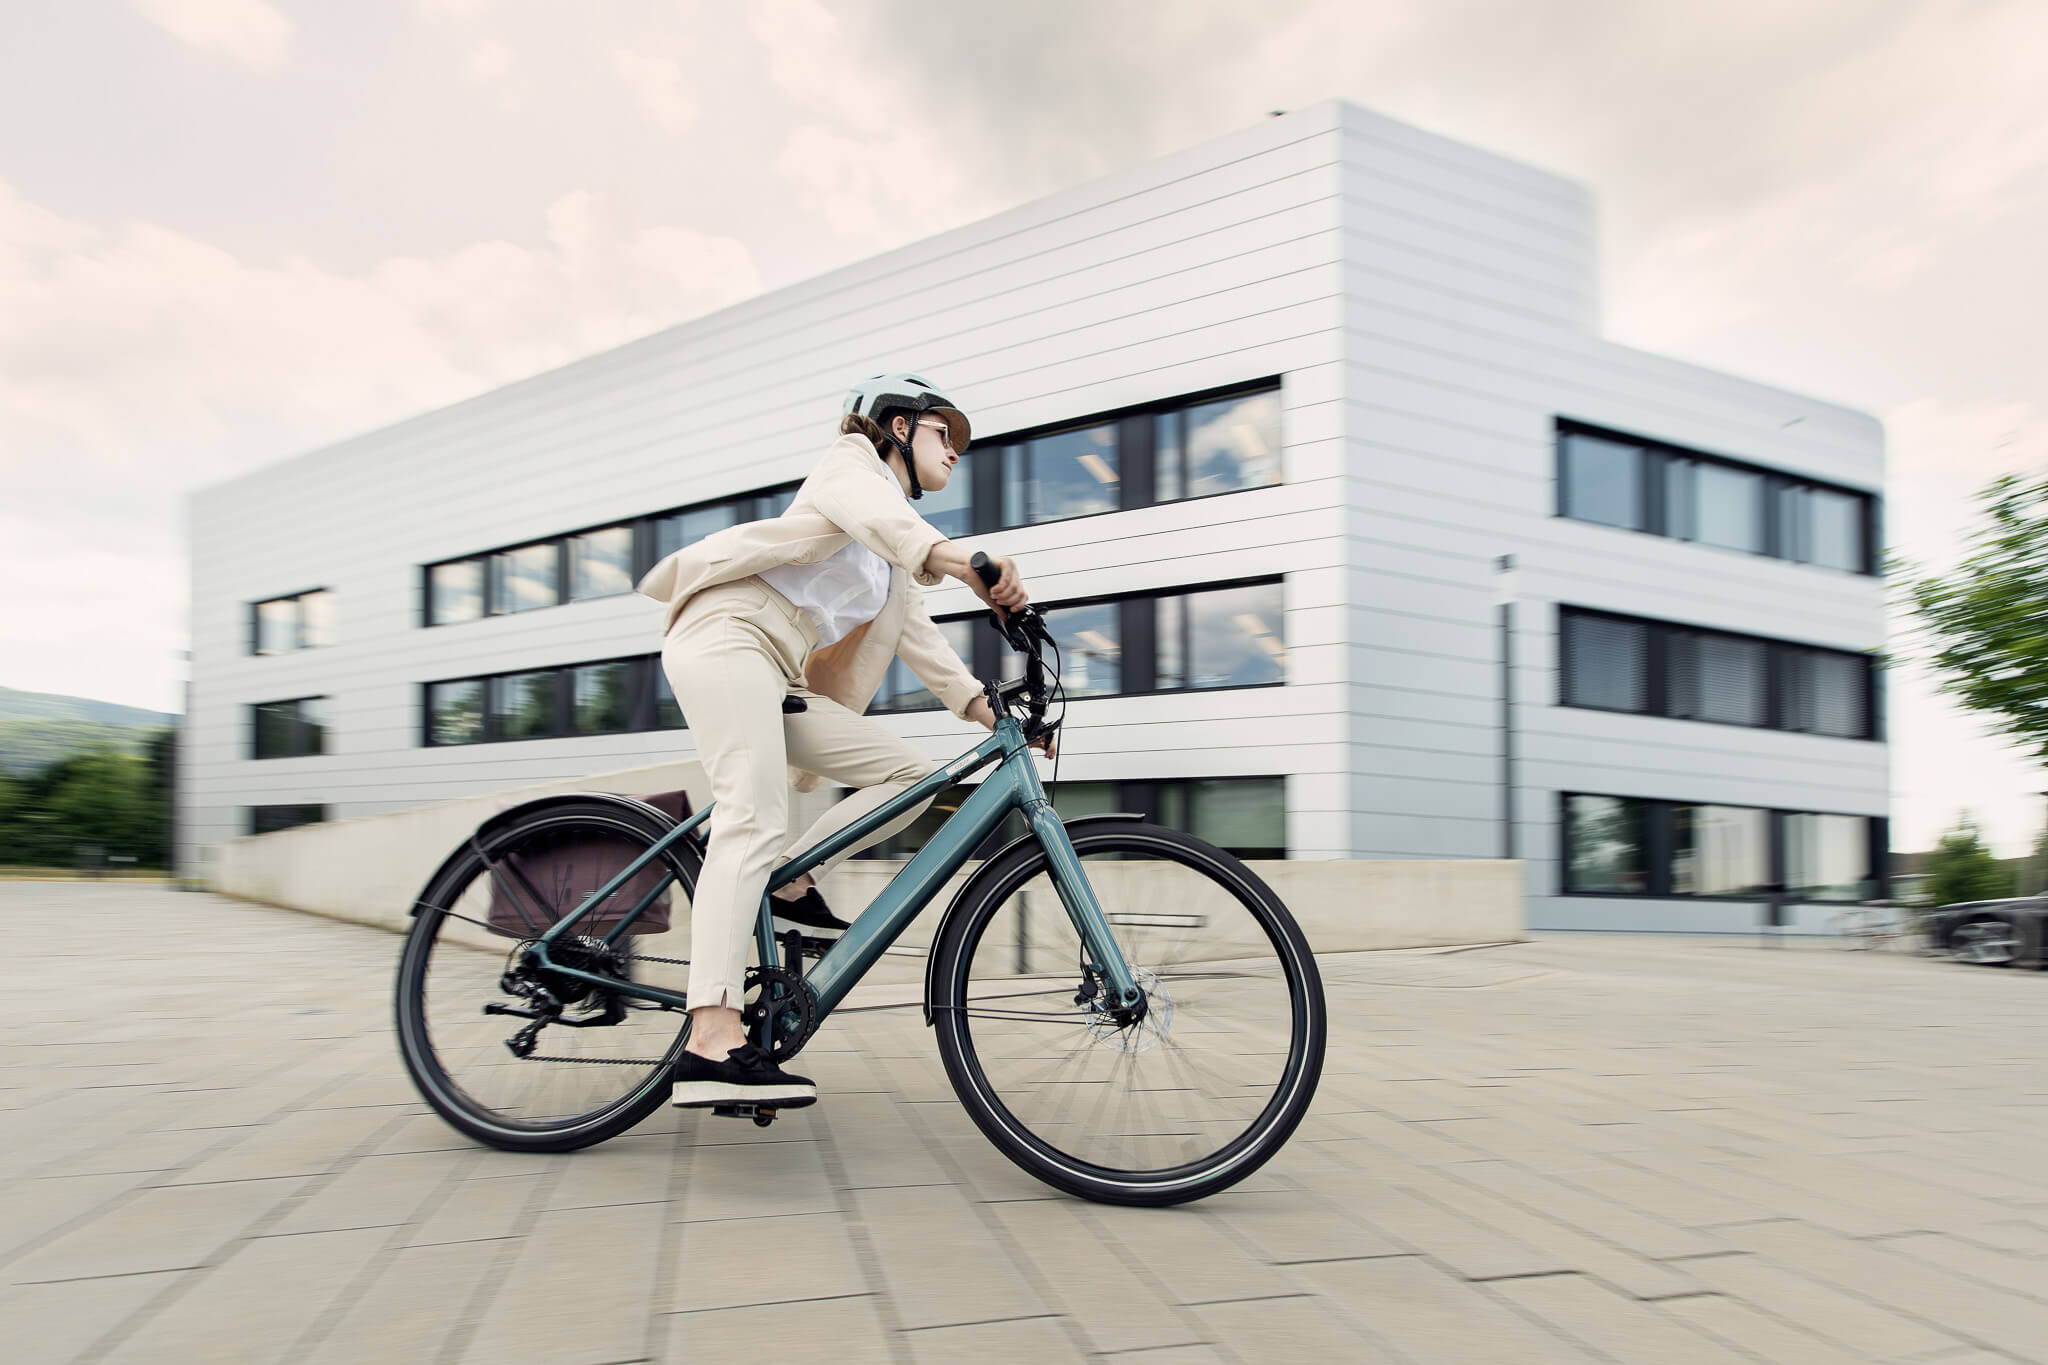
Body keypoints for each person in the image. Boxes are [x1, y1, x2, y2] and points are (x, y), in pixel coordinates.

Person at [636, 373, 1052, 1108]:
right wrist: (966, 564)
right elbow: (885, 519)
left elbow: (922, 641)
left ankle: (787, 878)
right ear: (897, 427)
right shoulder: (849, 471)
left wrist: (989, 712)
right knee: (751, 816)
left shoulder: (889, 557)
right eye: (943, 434)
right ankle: (710, 1038)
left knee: (915, 777)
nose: (955, 452)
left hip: (775, 669)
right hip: (727, 634)